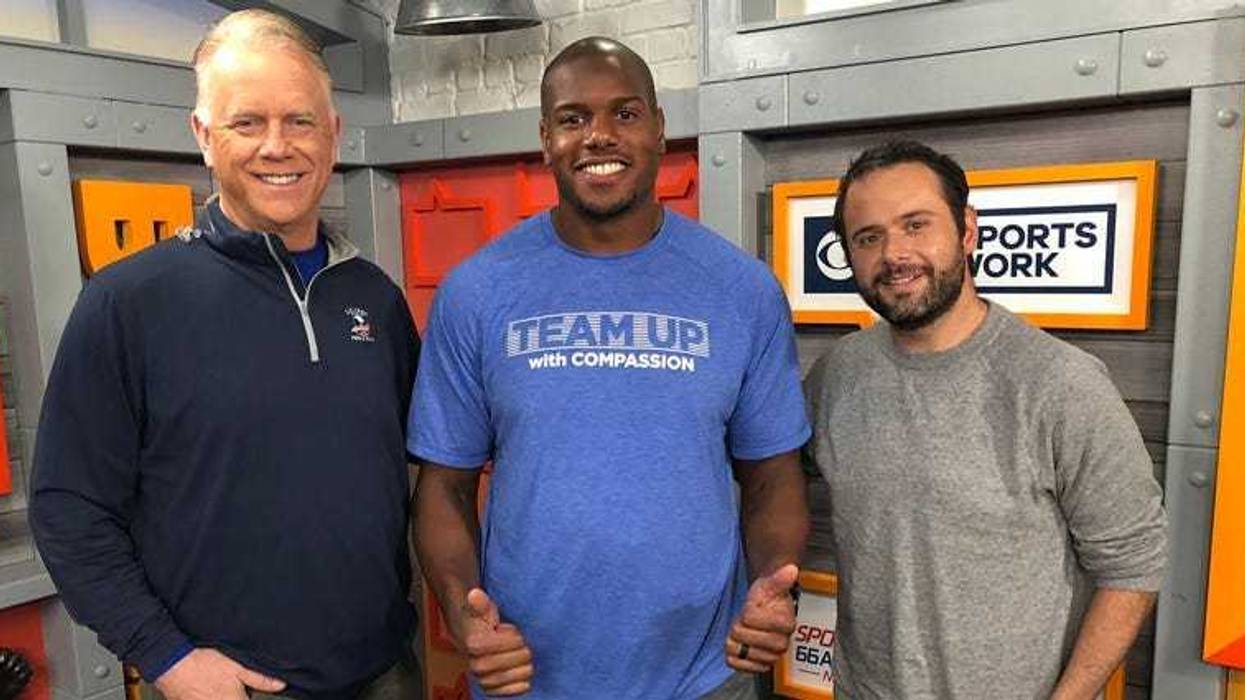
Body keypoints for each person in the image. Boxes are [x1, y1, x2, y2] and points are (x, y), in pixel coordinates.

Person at [29, 10, 421, 700]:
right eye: (248, 123)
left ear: (333, 134)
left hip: (384, 672)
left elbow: (415, 475)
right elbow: (69, 507)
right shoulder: (129, 303)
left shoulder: (375, 300)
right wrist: (168, 659)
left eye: (300, 121)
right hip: (226, 688)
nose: (278, 146)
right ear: (204, 137)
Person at [409, 37, 811, 700]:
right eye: (573, 118)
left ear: (658, 129)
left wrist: (773, 582)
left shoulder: (741, 290)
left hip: (703, 680)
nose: (598, 136)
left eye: (624, 115)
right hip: (529, 681)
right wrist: (461, 614)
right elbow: (442, 488)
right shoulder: (476, 292)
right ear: (545, 138)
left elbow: (772, 475)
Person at [803, 140, 1168, 699]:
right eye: (868, 237)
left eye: (916, 225)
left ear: (967, 230)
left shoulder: (1060, 383)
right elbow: (764, 478)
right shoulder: (835, 378)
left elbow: (1134, 564)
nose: (894, 253)